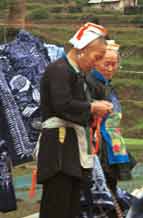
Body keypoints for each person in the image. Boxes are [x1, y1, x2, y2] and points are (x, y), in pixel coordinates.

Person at [36, 22, 113, 218]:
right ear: (82, 50)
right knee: (57, 204)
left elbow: (79, 104)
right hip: (59, 147)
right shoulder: (59, 70)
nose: (96, 63)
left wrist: (94, 108)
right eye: (96, 57)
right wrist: (92, 107)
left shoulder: (78, 75)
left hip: (73, 147)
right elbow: (62, 105)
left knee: (72, 206)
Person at [86, 40, 134, 217]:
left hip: (113, 145)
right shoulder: (90, 82)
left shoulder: (106, 84)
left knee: (111, 188)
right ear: (95, 62)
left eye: (115, 64)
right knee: (104, 193)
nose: (111, 68)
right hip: (100, 147)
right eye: (107, 64)